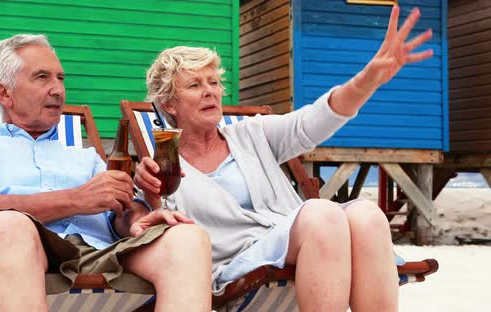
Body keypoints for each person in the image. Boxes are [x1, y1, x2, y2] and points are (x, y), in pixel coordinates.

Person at [134, 6, 432, 312]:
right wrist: (148, 192)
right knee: (321, 214)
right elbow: (148, 226)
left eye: (214, 82)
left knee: (367, 215)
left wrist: (367, 80)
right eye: (195, 85)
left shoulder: (252, 134)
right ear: (169, 103)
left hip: (297, 240)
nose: (210, 92)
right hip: (234, 264)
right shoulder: (162, 166)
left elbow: (313, 121)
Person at [0, 34, 212, 312]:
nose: (58, 89)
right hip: (9, 256)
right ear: (5, 93)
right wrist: (76, 200)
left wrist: (136, 219)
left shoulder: (85, 158)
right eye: (42, 77)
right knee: (6, 225)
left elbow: (119, 214)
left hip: (96, 255)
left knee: (188, 238)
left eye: (61, 78)